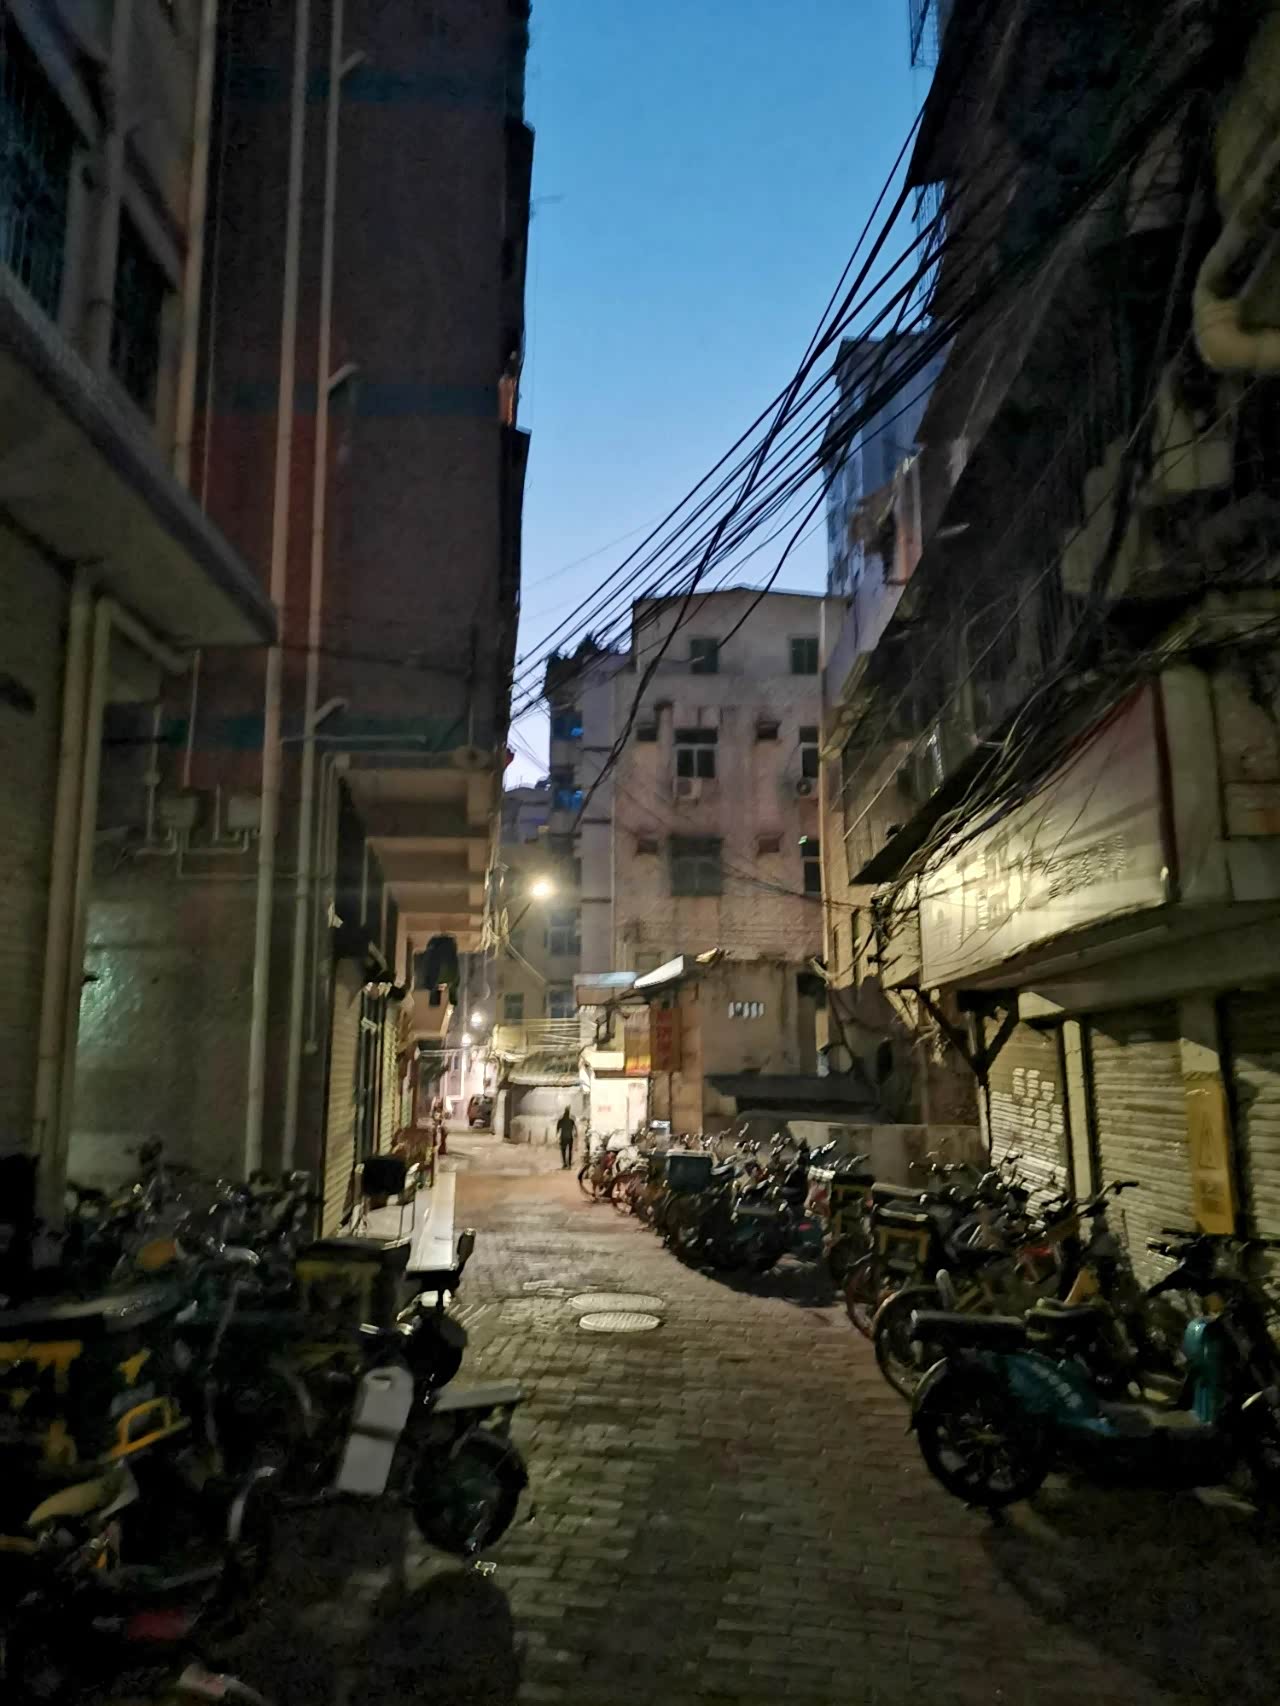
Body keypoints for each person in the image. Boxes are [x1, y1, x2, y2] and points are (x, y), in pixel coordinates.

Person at [556, 1105, 577, 1170]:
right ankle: (569, 1164)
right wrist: (576, 1134)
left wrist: (557, 1136)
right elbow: (575, 1128)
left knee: (563, 1151)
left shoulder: (561, 1120)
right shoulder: (571, 1120)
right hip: (570, 1137)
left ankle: (565, 1164)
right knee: (570, 1151)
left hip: (563, 1137)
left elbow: (557, 1129)